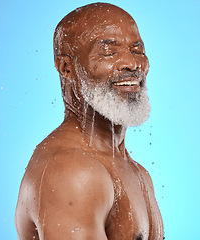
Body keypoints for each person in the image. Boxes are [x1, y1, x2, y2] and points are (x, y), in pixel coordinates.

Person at [15, 3, 164, 240]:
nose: (132, 63)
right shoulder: (71, 171)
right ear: (66, 68)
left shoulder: (136, 171)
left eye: (137, 50)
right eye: (108, 52)